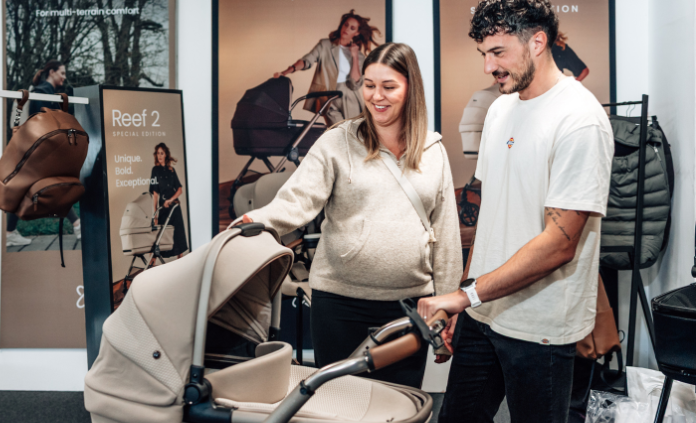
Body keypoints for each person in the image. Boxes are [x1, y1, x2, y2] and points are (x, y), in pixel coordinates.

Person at [417, 1, 614, 422]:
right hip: (484, 312)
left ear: (538, 42)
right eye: (484, 54)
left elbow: (560, 243)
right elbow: (491, 215)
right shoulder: (501, 109)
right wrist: (466, 300)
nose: (489, 67)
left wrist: (465, 295)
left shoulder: (580, 119)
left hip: (540, 327)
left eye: (499, 52)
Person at [242, 43, 462, 389]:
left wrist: (448, 305)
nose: (377, 96)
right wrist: (258, 222)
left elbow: (445, 233)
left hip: (408, 307)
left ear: (410, 88)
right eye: (369, 85)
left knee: (399, 405)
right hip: (340, 305)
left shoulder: (433, 151)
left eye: (389, 86)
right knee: (341, 404)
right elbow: (297, 200)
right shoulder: (337, 141)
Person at [6, 60, 80, 247]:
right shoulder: (42, 93)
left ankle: (9, 232)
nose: (64, 77)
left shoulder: (45, 92)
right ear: (52, 72)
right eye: (62, 73)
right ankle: (78, 225)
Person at [274, 10, 381, 126]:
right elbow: (307, 60)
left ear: (356, 33)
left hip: (350, 99)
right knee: (337, 132)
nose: (347, 29)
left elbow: (354, 84)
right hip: (328, 96)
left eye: (352, 28)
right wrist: (285, 72)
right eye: (346, 25)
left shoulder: (359, 56)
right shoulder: (325, 45)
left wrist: (354, 56)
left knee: (353, 134)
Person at [149, 143, 188, 258]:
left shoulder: (171, 170)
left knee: (177, 234)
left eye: (162, 153)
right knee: (160, 235)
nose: (159, 156)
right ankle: (153, 262)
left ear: (166, 155)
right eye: (158, 153)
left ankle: (181, 261)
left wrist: (171, 200)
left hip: (174, 207)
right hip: (163, 208)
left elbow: (179, 189)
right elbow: (155, 193)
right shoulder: (155, 170)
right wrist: (155, 213)